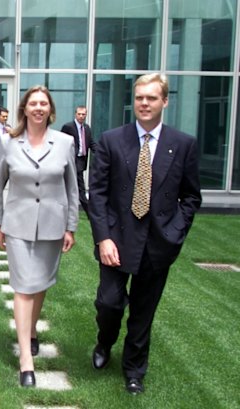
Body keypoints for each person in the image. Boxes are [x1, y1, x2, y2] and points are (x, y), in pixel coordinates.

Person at [89, 73, 202, 395]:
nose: (144, 103)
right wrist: (103, 237)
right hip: (117, 239)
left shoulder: (182, 145)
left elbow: (191, 197)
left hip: (157, 244)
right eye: (139, 97)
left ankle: (134, 369)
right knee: (108, 303)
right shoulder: (112, 140)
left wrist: (175, 232)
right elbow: (96, 193)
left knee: (143, 312)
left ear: (164, 101)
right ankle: (104, 342)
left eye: (151, 98)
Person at [0, 85, 79, 387]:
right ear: (24, 109)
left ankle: (30, 331)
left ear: (50, 109)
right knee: (24, 287)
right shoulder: (8, 143)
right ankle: (26, 361)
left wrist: (71, 226)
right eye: (33, 103)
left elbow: (72, 189)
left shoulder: (65, 142)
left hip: (53, 226)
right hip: (17, 225)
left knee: (40, 284)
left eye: (43, 103)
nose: (38, 108)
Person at [61, 106, 96, 217]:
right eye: (79, 114)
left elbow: (91, 143)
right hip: (71, 160)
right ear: (75, 114)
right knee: (79, 187)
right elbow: (62, 143)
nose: (81, 116)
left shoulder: (86, 128)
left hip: (81, 160)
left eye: (83, 114)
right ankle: (89, 213)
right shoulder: (68, 127)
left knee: (75, 186)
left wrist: (102, 153)